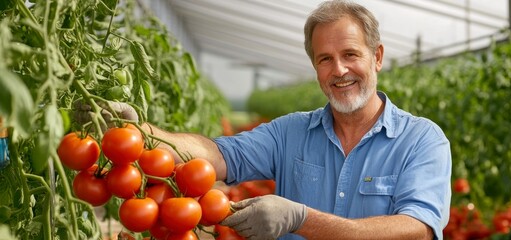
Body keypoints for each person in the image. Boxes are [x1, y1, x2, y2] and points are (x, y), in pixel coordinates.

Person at [76, 1, 452, 239]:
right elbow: (218, 156)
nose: (339, 70)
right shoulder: (290, 132)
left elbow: (415, 230)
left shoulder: (421, 140)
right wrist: (141, 134)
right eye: (325, 59)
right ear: (314, 67)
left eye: (350, 54)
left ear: (377, 57)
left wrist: (300, 218)